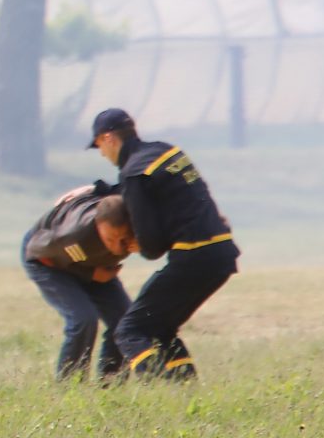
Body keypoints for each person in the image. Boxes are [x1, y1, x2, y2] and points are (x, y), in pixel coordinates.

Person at [87, 107, 239, 381]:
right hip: (221, 252)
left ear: (108, 138)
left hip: (193, 256)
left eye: (99, 145)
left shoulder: (134, 174)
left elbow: (152, 246)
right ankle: (186, 390)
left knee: (129, 331)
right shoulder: (167, 152)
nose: (101, 153)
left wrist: (133, 246)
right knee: (160, 327)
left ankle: (161, 389)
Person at [21, 189, 137, 380]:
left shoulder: (136, 222)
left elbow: (124, 186)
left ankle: (111, 387)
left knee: (124, 321)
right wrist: (90, 274)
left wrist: (93, 188)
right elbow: (35, 250)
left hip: (93, 263)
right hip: (47, 260)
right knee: (83, 319)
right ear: (97, 224)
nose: (117, 248)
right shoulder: (73, 234)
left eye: (123, 240)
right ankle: (71, 388)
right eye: (110, 239)